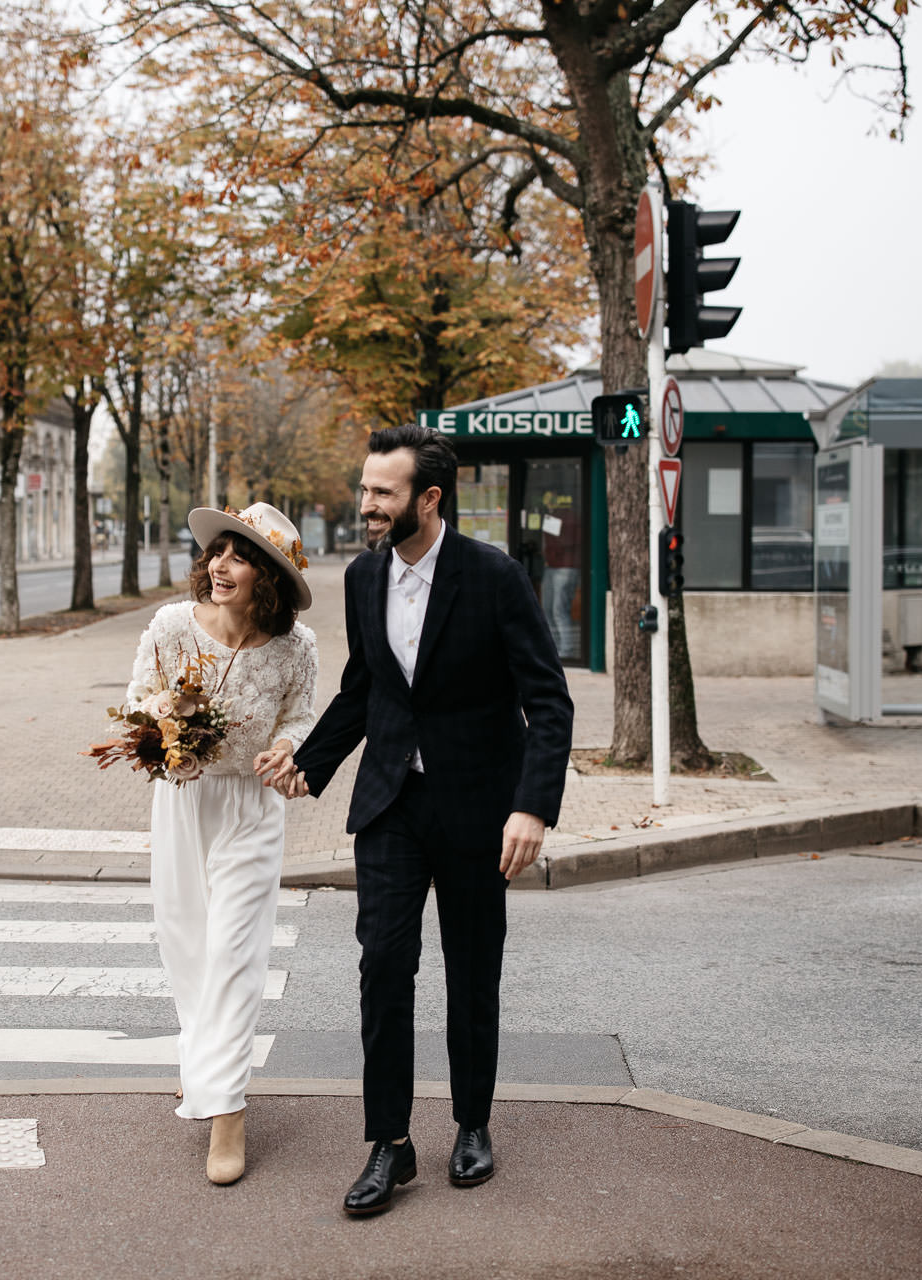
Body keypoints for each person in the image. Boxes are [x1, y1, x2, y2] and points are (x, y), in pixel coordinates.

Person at [273, 425, 574, 1218]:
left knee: (473, 971)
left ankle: (472, 1123)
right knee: (383, 967)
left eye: (382, 492)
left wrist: (533, 804)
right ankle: (390, 1143)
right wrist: (309, 761)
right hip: (391, 807)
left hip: (480, 809)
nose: (365, 504)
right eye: (366, 488)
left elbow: (548, 701)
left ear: (428, 499)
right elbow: (364, 689)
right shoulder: (363, 577)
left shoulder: (495, 578)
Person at [123, 502, 317, 1187]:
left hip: (252, 810)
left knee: (236, 953)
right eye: (215, 555)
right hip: (182, 800)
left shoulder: (299, 648)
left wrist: (290, 749)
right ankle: (204, 1072)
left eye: (236, 557)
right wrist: (167, 726)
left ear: (266, 576)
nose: (218, 566)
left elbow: (301, 715)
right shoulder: (172, 626)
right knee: (188, 950)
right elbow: (138, 696)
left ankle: (227, 1112)